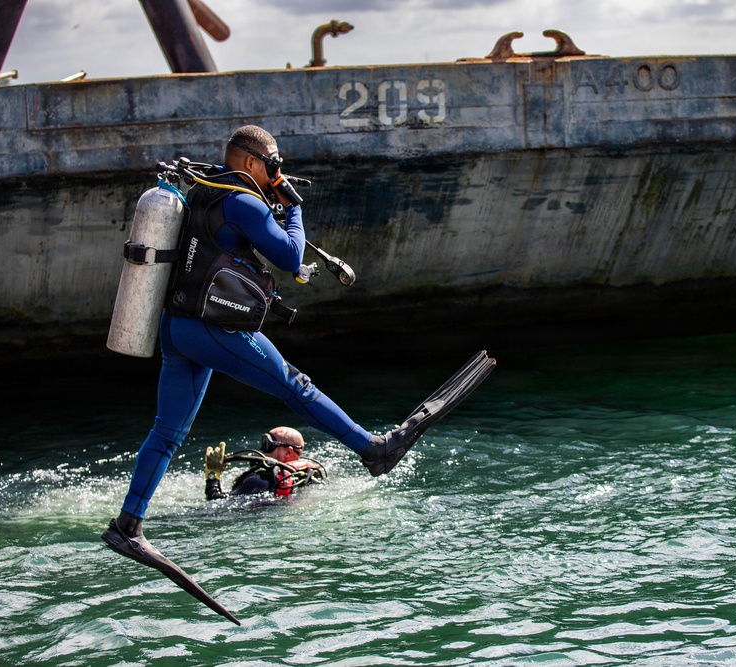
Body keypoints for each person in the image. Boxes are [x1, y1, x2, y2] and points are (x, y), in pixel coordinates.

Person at [99, 124, 495, 623]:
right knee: (296, 386)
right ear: (248, 160)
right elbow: (288, 256)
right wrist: (295, 208)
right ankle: (374, 450)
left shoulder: (204, 190)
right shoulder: (243, 200)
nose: (278, 173)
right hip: (215, 326)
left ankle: (128, 524)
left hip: (176, 326)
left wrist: (277, 199)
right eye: (273, 163)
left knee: (167, 432)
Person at [204, 427, 326, 500]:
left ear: (288, 452)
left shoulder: (258, 480)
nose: (262, 450)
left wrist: (212, 476)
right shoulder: (310, 476)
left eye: (268, 445)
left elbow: (217, 503)